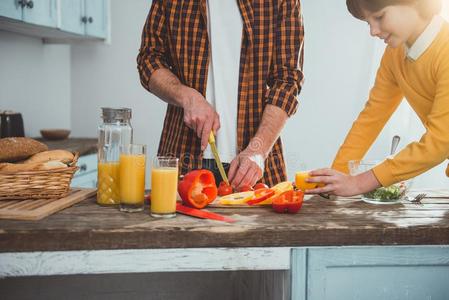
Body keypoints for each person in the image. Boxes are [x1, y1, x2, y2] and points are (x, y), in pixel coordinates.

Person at [137, 0, 304, 188]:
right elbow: (149, 59)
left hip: (253, 167)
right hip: (183, 159)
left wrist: (258, 150)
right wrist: (188, 97)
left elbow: (287, 81)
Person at [307, 0, 448, 197]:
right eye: (368, 22)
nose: (373, 31)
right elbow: (372, 116)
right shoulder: (395, 54)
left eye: (380, 17)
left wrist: (358, 183)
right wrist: (335, 178)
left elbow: (441, 142)